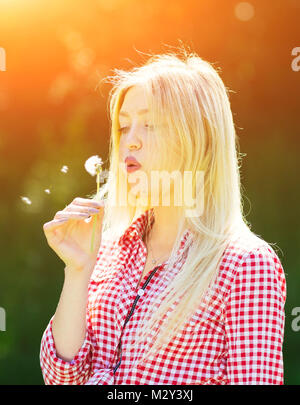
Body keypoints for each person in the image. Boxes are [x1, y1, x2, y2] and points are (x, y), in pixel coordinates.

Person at [40, 47, 286, 385]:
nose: (131, 142)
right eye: (124, 127)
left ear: (199, 139)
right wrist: (77, 270)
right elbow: (62, 377)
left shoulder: (245, 263)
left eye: (150, 125)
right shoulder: (109, 250)